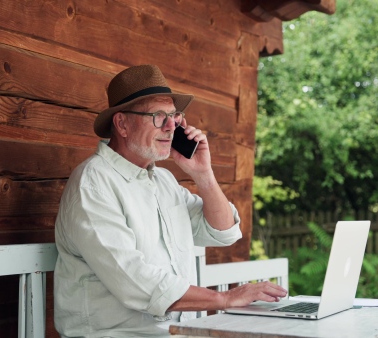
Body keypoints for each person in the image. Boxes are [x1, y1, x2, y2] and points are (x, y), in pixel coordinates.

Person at [54, 64, 287, 337]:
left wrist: (204, 174)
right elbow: (134, 280)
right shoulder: (93, 183)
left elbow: (223, 232)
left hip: (176, 332)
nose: (170, 127)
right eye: (158, 116)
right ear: (122, 124)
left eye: (174, 116)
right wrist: (225, 299)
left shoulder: (163, 181)